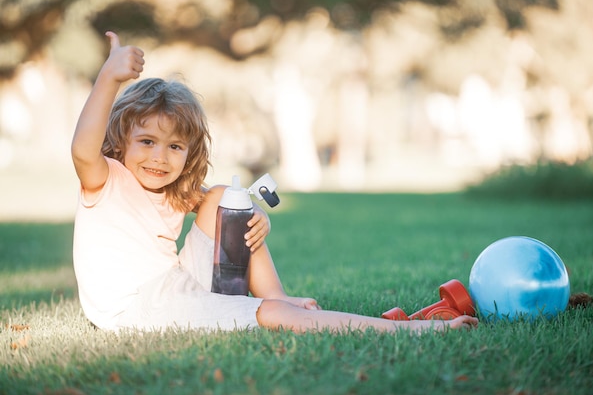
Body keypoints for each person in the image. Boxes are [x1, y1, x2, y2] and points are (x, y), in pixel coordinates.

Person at [71, 31, 479, 334]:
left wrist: (255, 221)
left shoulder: (169, 190)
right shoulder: (105, 179)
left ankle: (277, 295)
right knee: (272, 317)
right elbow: (82, 149)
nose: (159, 157)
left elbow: (225, 209)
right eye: (146, 142)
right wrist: (109, 78)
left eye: (174, 146)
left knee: (224, 198)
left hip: (173, 286)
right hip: (138, 310)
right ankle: (409, 331)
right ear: (120, 139)